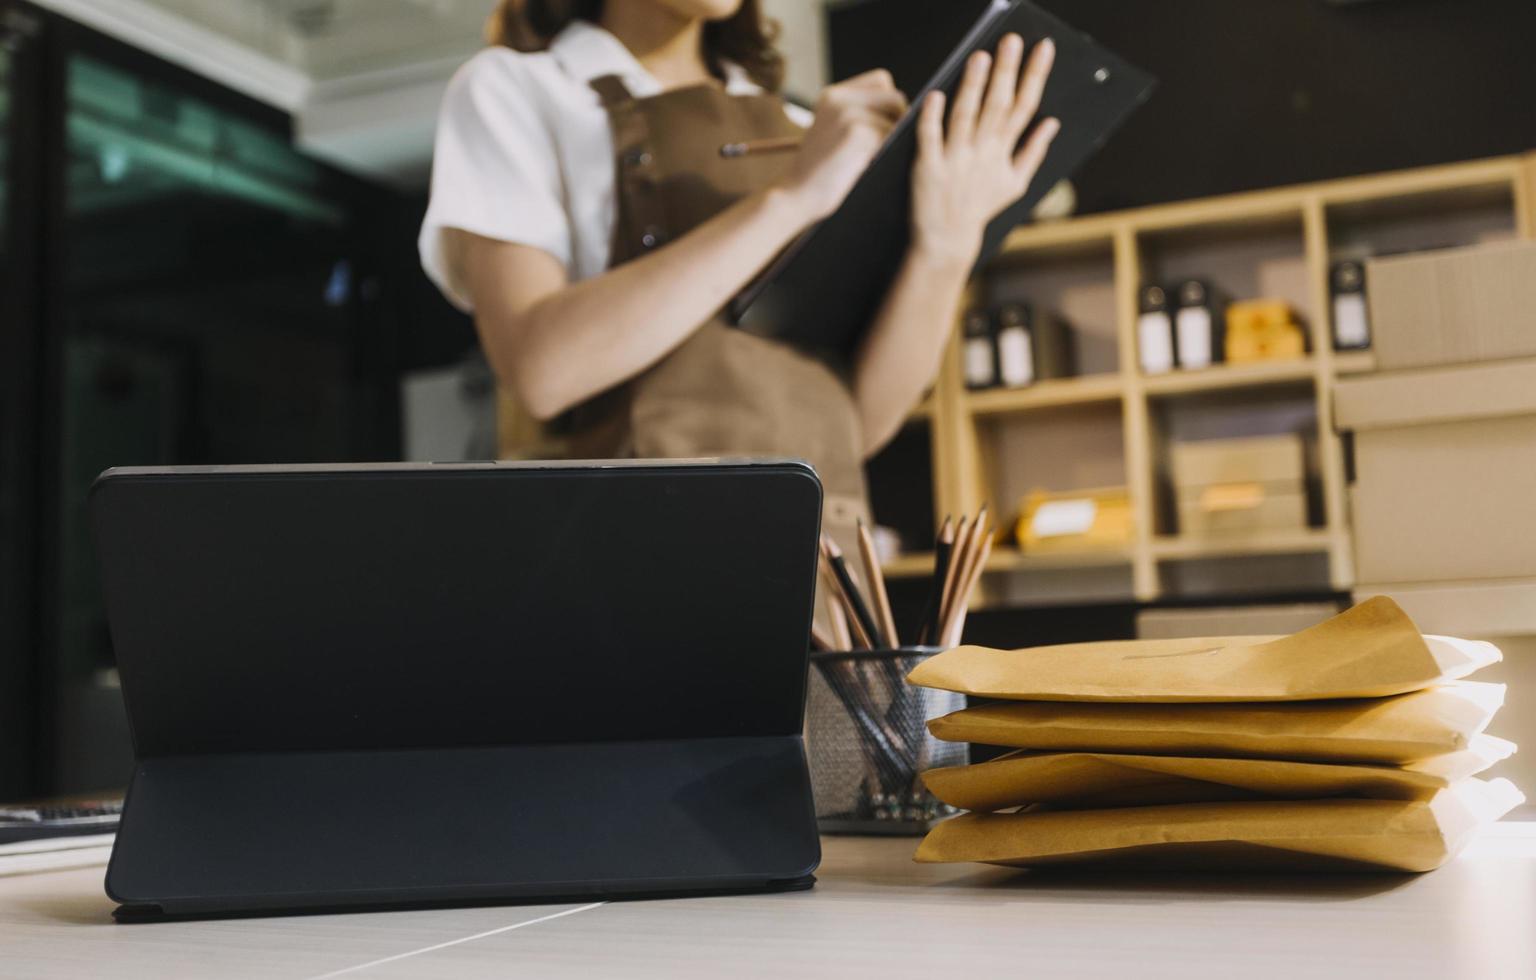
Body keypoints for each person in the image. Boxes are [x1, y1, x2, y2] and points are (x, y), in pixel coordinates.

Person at [420, 0, 1058, 549]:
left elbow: (855, 423)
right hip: (638, 554)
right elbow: (542, 369)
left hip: (827, 572)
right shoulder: (517, 91)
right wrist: (794, 197)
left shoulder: (806, 129)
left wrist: (945, 246)